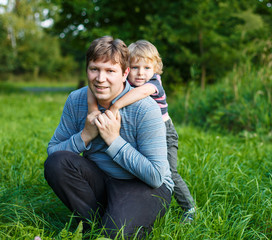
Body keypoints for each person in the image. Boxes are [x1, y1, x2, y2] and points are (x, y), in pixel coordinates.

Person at [44, 36, 174, 239]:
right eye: (94, 69)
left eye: (110, 71)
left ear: (125, 73)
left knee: (114, 234)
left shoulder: (145, 108)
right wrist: (86, 135)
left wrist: (114, 141)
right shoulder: (76, 100)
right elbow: (53, 152)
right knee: (57, 162)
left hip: (143, 184)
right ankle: (90, 223)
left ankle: (112, 223)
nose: (100, 78)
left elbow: (156, 176)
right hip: (100, 178)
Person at [88, 40, 196, 222]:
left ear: (156, 68)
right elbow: (91, 90)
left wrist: (115, 107)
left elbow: (142, 93)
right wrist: (93, 110)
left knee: (169, 170)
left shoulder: (153, 83)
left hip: (164, 132)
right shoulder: (123, 82)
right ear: (126, 69)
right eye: (135, 67)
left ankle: (189, 207)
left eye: (147, 67)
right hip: (141, 132)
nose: (141, 73)